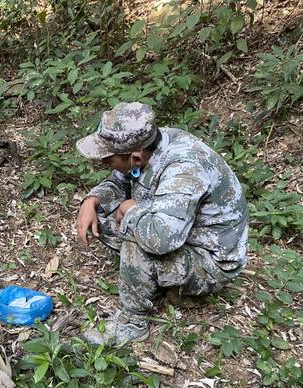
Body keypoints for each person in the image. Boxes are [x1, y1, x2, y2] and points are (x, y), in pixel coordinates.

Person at [75, 102, 248, 344]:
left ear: (135, 157)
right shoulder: (147, 145)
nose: (103, 164)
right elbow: (119, 181)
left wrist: (130, 209)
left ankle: (132, 323)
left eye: (107, 160)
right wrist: (91, 201)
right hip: (179, 232)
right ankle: (156, 281)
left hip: (209, 259)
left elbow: (162, 239)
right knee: (100, 218)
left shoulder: (184, 169)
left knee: (137, 242)